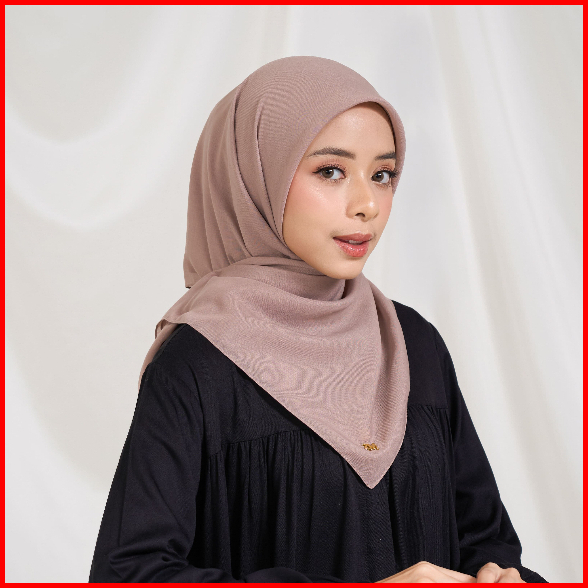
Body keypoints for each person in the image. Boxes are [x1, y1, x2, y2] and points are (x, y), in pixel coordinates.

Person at [89, 56, 547, 583]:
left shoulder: (411, 344)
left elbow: (486, 538)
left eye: (382, 175)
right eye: (331, 171)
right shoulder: (198, 362)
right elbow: (130, 573)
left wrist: (498, 574)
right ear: (257, 175)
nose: (367, 204)